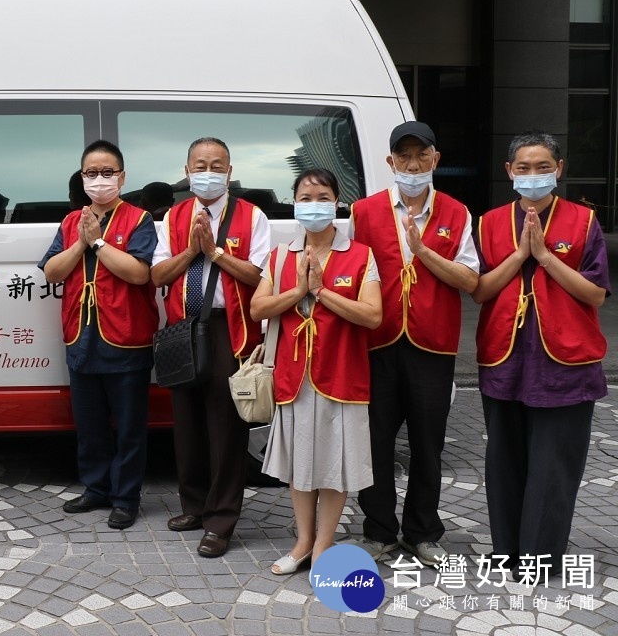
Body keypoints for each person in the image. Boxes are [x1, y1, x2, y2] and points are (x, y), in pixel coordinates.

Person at [472, 131, 609, 576]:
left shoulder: (584, 221)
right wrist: (519, 257)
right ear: (509, 172)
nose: (533, 176)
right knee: (504, 459)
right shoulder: (490, 222)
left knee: (554, 462)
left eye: (543, 167)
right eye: (524, 168)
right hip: (505, 354)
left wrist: (546, 257)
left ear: (559, 170)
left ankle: (540, 556)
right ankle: (506, 550)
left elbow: (596, 295)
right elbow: (480, 291)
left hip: (565, 358)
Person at [349, 122, 479, 567]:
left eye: (421, 154)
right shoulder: (364, 212)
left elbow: (470, 279)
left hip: (432, 345)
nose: (412, 163)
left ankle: (423, 532)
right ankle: (379, 530)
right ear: (390, 162)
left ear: (435, 159)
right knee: (375, 442)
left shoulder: (458, 212)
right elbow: (350, 274)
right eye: (403, 156)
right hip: (377, 342)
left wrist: (423, 252)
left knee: (428, 444)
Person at [250, 168, 382, 575]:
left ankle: (324, 544)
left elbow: (373, 315)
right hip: (293, 376)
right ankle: (303, 541)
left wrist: (323, 291)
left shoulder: (360, 254)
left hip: (341, 375)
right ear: (294, 203)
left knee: (333, 463)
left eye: (322, 196)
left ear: (337, 202)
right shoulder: (280, 255)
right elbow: (258, 308)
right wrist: (298, 291)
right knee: (299, 464)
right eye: (305, 198)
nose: (313, 204)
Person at [150, 137, 270, 557]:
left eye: (216, 165)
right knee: (186, 423)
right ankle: (194, 506)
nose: (208, 173)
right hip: (184, 326)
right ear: (186, 171)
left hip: (229, 329)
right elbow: (159, 274)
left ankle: (220, 520)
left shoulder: (251, 216)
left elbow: (258, 277)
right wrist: (191, 251)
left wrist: (215, 252)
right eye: (200, 166)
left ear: (230, 171)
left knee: (225, 427)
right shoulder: (174, 216)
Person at [39, 140, 159, 529]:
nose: (99, 180)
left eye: (107, 172)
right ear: (82, 177)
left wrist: (100, 242)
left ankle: (126, 498)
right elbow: (53, 271)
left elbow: (140, 273)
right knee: (89, 423)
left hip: (126, 335)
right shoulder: (71, 221)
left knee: (128, 426)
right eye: (91, 173)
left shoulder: (139, 219)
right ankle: (96, 489)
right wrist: (81, 242)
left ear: (122, 177)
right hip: (81, 334)